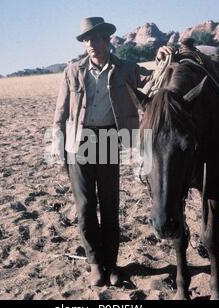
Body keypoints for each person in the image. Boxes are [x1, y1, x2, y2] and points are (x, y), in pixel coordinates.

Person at [51, 17, 169, 287]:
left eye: (95, 39)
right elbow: (60, 113)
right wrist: (58, 149)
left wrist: (160, 57)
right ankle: (95, 264)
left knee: (110, 205)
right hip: (79, 142)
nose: (91, 44)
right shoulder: (72, 71)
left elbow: (153, 78)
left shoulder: (125, 68)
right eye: (86, 40)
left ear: (107, 40)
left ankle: (112, 264)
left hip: (108, 139)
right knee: (85, 207)